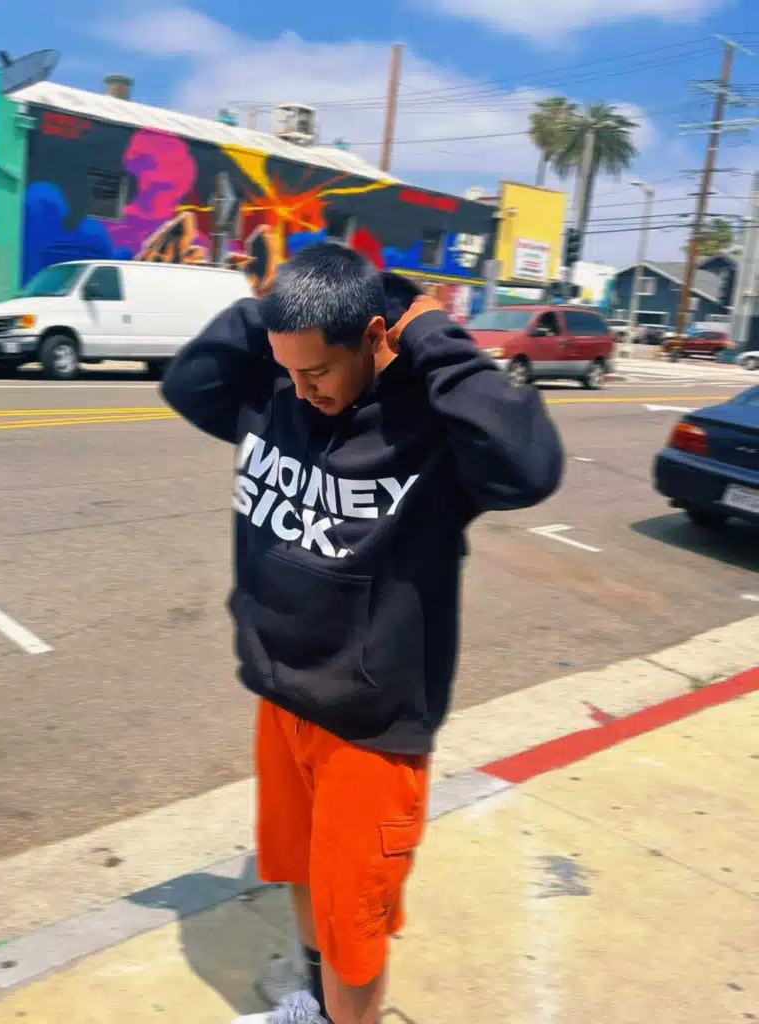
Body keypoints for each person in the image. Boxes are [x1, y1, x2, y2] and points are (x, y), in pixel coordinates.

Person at [160, 242, 564, 1024]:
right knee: (303, 875)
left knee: (355, 936)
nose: (302, 390)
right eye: (289, 370)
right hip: (283, 698)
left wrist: (430, 331)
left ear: (375, 335)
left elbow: (530, 466)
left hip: (370, 730)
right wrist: (277, 310)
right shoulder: (279, 387)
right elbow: (189, 382)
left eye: (318, 372)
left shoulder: (431, 429)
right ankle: (316, 1007)